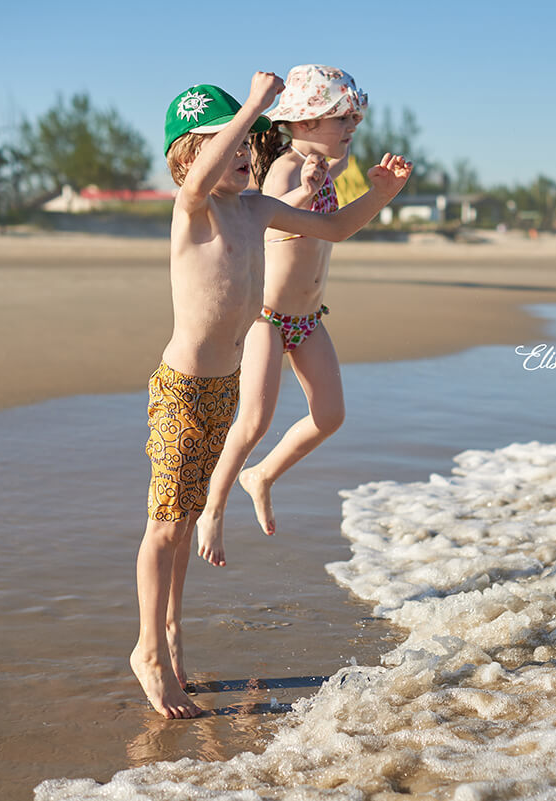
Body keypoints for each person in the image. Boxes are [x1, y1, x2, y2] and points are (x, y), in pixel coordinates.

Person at [131, 72, 412, 719]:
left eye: (247, 143)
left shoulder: (256, 209)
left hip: (221, 389)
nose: (242, 150)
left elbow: (334, 229)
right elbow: (200, 179)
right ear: (187, 155)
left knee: (182, 525)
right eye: (225, 142)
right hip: (182, 389)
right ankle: (146, 648)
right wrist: (255, 102)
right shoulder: (191, 208)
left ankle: (172, 635)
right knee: (165, 526)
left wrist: (380, 195)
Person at [196, 65, 370, 562]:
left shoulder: (320, 162)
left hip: (309, 318)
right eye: (342, 117)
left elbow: (334, 169)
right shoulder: (284, 170)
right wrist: (307, 188)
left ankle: (262, 475)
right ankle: (214, 507)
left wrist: (354, 167)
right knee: (253, 420)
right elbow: (268, 226)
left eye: (354, 116)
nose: (352, 125)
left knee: (330, 416)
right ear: (307, 122)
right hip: (267, 317)